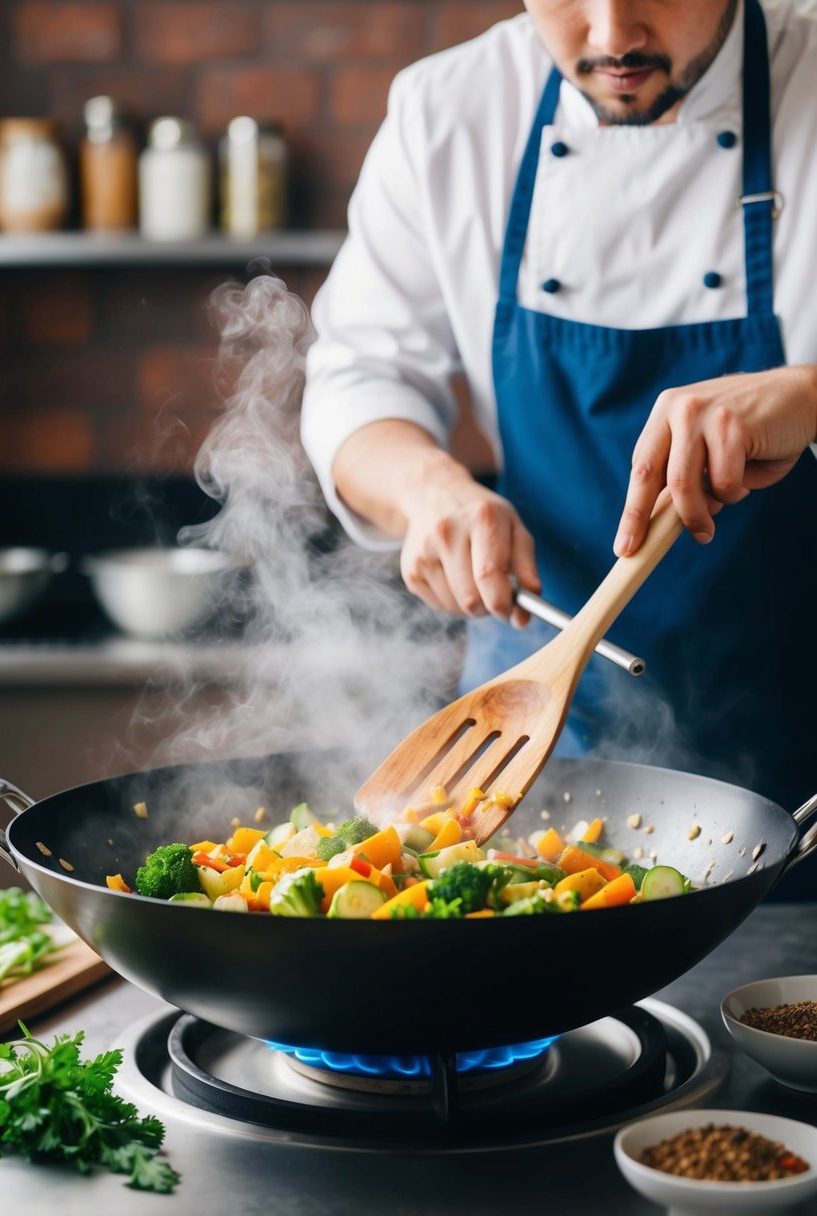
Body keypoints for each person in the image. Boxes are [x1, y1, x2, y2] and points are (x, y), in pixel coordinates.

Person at [300, 0, 817, 896]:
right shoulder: (450, 110)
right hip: (534, 762)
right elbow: (356, 382)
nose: (612, 32)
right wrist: (429, 490)